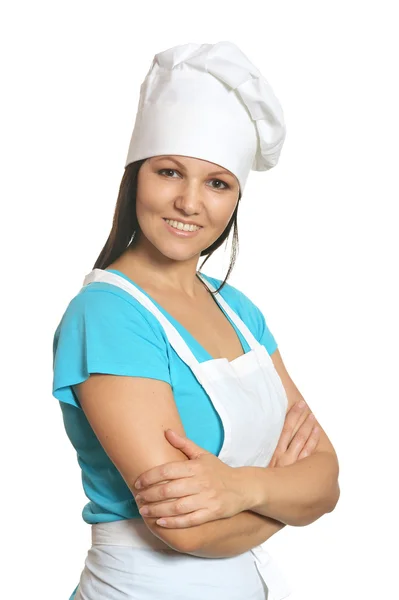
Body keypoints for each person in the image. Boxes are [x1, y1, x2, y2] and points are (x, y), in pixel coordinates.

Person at [52, 41, 340, 600]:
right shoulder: (108, 314)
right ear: (136, 176)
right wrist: (287, 504)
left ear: (235, 198)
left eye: (216, 183)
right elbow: (183, 527)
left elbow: (327, 478)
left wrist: (239, 488)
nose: (189, 202)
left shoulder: (240, 311)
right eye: (169, 172)